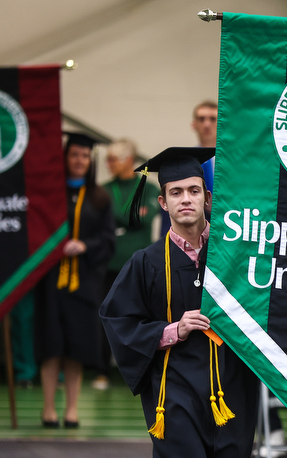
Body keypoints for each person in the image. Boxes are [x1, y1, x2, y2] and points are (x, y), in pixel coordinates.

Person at [100, 147, 259, 457]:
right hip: (173, 388)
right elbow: (118, 321)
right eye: (176, 192)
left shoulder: (236, 257)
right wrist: (173, 329)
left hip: (232, 386)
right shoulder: (145, 263)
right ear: (163, 202)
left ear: (207, 198)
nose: (185, 198)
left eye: (193, 190)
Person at [37, 132, 115, 428]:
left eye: (85, 156)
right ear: (65, 157)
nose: (80, 160)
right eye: (74, 155)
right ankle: (48, 409)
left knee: (77, 346)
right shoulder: (50, 195)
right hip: (52, 282)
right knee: (51, 344)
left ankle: (71, 409)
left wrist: (85, 246)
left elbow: (108, 241)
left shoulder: (100, 198)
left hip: (84, 282)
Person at [92, 138, 161, 390]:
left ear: (130, 161)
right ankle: (102, 372)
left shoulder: (150, 188)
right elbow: (129, 217)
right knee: (105, 317)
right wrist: (129, 218)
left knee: (142, 319)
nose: (109, 164)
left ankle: (143, 370)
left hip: (140, 265)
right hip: (108, 265)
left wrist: (117, 218)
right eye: (107, 159)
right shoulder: (102, 189)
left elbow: (143, 217)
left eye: (114, 159)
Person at [160, 101, 218, 236]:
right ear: (194, 124)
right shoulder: (182, 164)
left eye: (213, 119)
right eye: (201, 119)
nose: (207, 124)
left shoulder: (232, 163)